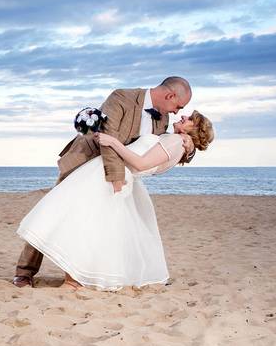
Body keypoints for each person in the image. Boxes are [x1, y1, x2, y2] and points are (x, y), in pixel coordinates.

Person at [12, 77, 192, 287]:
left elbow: (157, 148)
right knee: (55, 212)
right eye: (178, 106)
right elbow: (106, 137)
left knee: (98, 222)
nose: (177, 112)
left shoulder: (162, 119)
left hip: (118, 172)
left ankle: (83, 273)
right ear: (169, 95)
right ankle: (25, 272)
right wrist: (116, 177)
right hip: (86, 161)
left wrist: (189, 147)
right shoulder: (122, 97)